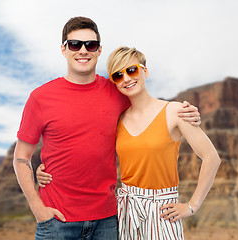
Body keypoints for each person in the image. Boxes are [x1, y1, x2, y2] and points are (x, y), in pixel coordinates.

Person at [13, 17, 201, 240]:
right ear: (64, 50)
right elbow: (21, 157)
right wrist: (37, 208)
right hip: (56, 221)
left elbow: (149, 108)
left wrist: (186, 112)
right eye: (74, 44)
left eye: (90, 45)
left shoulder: (117, 92)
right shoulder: (40, 97)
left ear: (99, 50)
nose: (83, 50)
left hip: (108, 221)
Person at [38, 46, 221, 239]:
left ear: (145, 71)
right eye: (117, 75)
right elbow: (87, 152)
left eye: (131, 70)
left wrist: (192, 206)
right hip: (126, 210)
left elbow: (211, 158)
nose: (126, 78)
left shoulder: (175, 112)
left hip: (163, 211)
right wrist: (46, 170)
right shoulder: (118, 120)